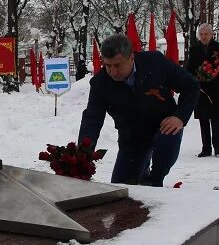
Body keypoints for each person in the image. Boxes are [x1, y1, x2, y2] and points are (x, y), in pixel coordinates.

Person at [78, 33, 199, 186]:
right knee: (121, 187)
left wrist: (180, 116)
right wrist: (83, 155)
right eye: (108, 66)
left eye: (117, 65)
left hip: (164, 126)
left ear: (131, 58)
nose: (113, 72)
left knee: (164, 146)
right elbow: (92, 118)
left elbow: (191, 86)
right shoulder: (100, 83)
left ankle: (155, 179)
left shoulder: (155, 62)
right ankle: (142, 175)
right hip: (132, 137)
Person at [185, 23, 219, 157]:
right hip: (200, 89)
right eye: (201, 34)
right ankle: (206, 148)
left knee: (216, 119)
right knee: (203, 119)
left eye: (206, 34)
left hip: (216, 88)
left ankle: (217, 147)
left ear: (211, 34)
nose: (203, 37)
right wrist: (185, 82)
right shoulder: (194, 48)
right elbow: (189, 68)